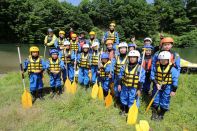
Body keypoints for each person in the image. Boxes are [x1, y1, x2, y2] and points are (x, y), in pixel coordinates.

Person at [150, 51, 179, 121]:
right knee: (155, 99)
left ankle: (161, 114)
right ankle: (154, 112)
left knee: (165, 100)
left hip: (167, 87)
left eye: (165, 60)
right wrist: (156, 83)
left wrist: (173, 90)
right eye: (161, 60)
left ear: (168, 60)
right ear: (159, 60)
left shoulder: (172, 69)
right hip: (157, 85)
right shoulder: (156, 67)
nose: (162, 61)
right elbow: (152, 76)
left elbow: (175, 80)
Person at [118, 50, 145, 116]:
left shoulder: (140, 69)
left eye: (134, 57)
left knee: (132, 99)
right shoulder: (124, 67)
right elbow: (120, 76)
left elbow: (141, 80)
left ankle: (131, 111)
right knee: (123, 97)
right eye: (130, 57)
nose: (132, 58)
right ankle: (124, 109)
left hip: (134, 88)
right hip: (125, 86)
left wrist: (139, 90)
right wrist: (119, 84)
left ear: (137, 58)